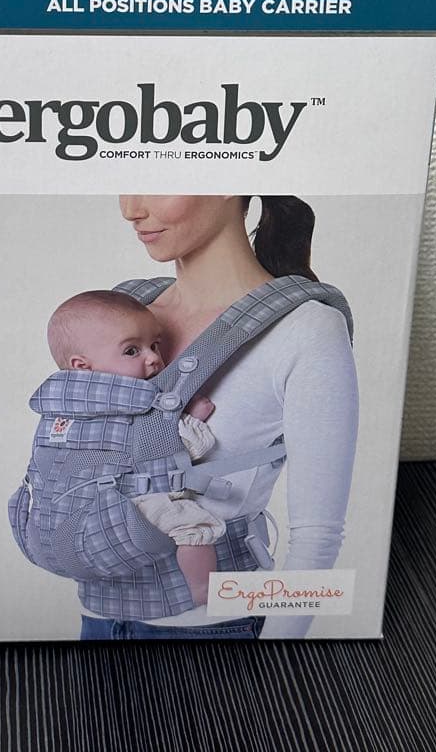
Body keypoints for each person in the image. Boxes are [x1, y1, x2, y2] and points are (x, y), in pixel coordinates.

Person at [79, 194, 358, 641]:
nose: (131, 209)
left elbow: (317, 537)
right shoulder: (121, 313)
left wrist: (278, 662)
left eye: (156, 185)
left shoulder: (306, 329)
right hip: (97, 613)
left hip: (214, 628)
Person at [47, 289, 226, 605]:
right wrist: (193, 420)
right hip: (128, 503)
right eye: (132, 351)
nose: (154, 357)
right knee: (193, 526)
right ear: (82, 366)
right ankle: (202, 589)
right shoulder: (135, 403)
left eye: (155, 345)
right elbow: (170, 452)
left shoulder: (58, 407)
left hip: (71, 513)